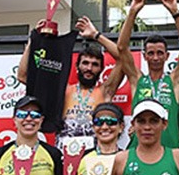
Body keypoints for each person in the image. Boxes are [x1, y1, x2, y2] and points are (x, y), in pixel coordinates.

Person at [17, 16, 126, 151]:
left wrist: (95, 35)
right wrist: (33, 41)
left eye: (95, 65)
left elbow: (123, 58)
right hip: (64, 154)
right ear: (77, 66)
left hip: (94, 157)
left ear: (101, 69)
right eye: (85, 63)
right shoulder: (62, 89)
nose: (89, 68)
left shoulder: (105, 91)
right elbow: (23, 76)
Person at [117, 0, 179, 149]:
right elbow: (122, 48)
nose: (155, 57)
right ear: (144, 56)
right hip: (138, 152)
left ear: (167, 56)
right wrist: (132, 12)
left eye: (160, 53)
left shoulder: (174, 81)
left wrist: (174, 12)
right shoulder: (137, 80)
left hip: (169, 151)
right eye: (151, 53)